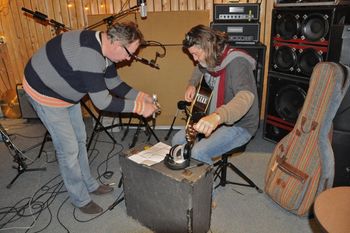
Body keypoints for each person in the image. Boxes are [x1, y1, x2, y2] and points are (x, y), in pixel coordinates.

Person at [23, 21, 158, 214]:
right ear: (116, 44)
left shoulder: (106, 49)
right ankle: (80, 198)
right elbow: (102, 102)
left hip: (67, 92)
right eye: (130, 54)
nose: (130, 60)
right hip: (44, 93)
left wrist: (140, 95)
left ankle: (89, 183)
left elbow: (114, 83)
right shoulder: (89, 55)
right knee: (68, 149)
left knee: (80, 139)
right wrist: (139, 108)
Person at [171, 24, 259, 166]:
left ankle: (203, 187)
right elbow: (199, 68)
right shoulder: (210, 57)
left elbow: (246, 97)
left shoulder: (238, 62)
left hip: (240, 125)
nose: (194, 59)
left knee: (198, 152)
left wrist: (217, 117)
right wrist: (192, 84)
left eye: (196, 54)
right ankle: (189, 181)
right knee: (177, 141)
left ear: (208, 47)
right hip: (213, 116)